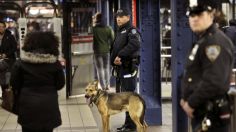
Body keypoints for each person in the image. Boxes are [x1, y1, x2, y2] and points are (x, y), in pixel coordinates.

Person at [181, 0, 234, 132]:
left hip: (211, 115)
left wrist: (190, 103)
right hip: (203, 114)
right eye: (191, 15)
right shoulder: (204, 40)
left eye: (199, 14)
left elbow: (214, 81)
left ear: (212, 14)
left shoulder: (214, 42)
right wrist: (184, 99)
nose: (194, 19)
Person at [10, 31, 65, 132]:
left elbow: (14, 83)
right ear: (52, 45)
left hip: (28, 106)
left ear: (28, 44)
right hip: (48, 105)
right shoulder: (55, 64)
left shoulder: (20, 63)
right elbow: (60, 84)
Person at [110, 9, 141, 132]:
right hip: (122, 69)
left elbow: (135, 44)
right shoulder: (121, 30)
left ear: (128, 17)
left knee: (129, 97)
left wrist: (120, 55)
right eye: (117, 16)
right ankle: (128, 124)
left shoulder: (131, 30)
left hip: (128, 68)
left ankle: (132, 125)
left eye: (121, 16)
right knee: (125, 97)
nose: (118, 18)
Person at [92, 12, 114, 90]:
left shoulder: (93, 29)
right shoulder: (108, 28)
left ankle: (103, 86)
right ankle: (107, 85)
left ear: (96, 19)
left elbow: (90, 39)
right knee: (106, 68)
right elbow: (112, 39)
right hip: (106, 51)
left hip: (97, 52)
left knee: (100, 69)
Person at [0, 20, 17, 98]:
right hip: (1, 60)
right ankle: (4, 94)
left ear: (5, 27)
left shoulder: (9, 36)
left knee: (6, 78)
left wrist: (6, 54)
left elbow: (14, 48)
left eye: (1, 27)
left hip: (9, 59)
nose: (0, 28)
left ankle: (6, 94)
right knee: (2, 78)